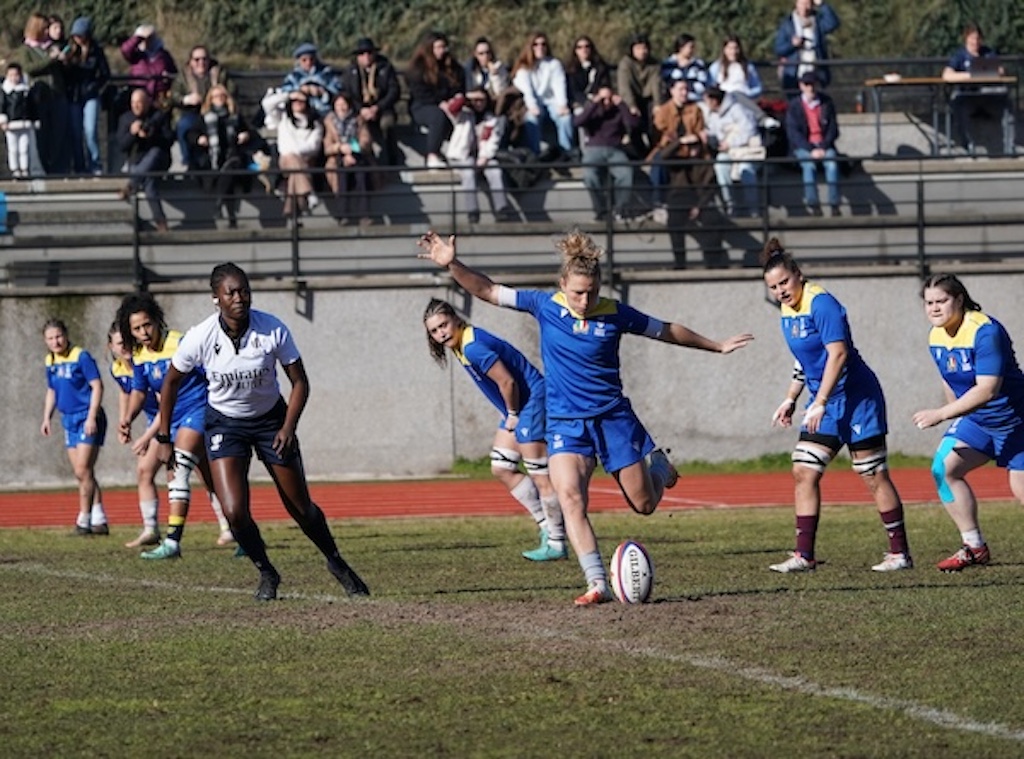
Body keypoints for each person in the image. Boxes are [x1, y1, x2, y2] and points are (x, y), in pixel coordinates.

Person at [417, 229, 753, 605]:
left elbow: (666, 330)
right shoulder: (544, 305)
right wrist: (452, 265)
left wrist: (717, 345)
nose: (585, 299)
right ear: (563, 284)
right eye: (577, 292)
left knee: (644, 504)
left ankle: (659, 466)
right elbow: (488, 290)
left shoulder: (614, 313)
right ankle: (597, 583)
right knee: (570, 497)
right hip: (564, 423)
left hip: (613, 419)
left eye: (592, 291)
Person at [154, 262, 370, 601]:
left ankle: (336, 561)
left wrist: (288, 427)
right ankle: (266, 571)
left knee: (300, 507)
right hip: (225, 423)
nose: (240, 297)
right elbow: (170, 382)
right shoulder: (200, 336)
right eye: (232, 292)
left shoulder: (272, 329)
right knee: (234, 511)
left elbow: (300, 382)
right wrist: (164, 437)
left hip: (271, 421)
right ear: (216, 298)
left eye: (244, 290)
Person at [762, 238, 912, 573]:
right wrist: (790, 398)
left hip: (858, 399)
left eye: (784, 282)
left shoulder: (822, 304)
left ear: (798, 275)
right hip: (823, 403)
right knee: (803, 470)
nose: (781, 291)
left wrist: (820, 401)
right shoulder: (787, 310)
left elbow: (838, 353)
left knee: (873, 474)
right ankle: (804, 556)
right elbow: (805, 361)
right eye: (773, 287)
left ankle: (900, 554)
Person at [423, 298, 566, 560]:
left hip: (530, 403)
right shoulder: (460, 344)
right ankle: (547, 527)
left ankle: (557, 542)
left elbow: (508, 382)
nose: (441, 333)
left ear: (455, 319)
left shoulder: (473, 346)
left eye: (443, 325)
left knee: (540, 475)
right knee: (501, 467)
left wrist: (512, 414)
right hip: (521, 406)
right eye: (434, 330)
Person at [912, 274, 1024, 571]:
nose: (934, 308)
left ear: (959, 300)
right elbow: (951, 382)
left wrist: (941, 414)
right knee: (943, 469)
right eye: (929, 303)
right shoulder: (935, 335)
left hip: (1016, 420)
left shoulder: (984, 331)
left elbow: (987, 389)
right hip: (977, 421)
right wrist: (954, 414)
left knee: (1021, 488)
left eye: (942, 301)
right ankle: (974, 546)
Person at [117, 292, 233, 559]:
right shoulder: (140, 355)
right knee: (207, 476)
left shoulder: (181, 342)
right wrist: (127, 418)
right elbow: (139, 391)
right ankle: (235, 529)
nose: (144, 332)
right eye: (136, 329)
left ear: (157, 320)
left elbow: (210, 372)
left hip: (199, 409)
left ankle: (172, 542)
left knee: (176, 468)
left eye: (147, 325)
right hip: (172, 418)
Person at [40, 318, 109, 536]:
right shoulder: (50, 361)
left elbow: (97, 386)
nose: (55, 341)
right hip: (68, 418)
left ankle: (83, 519)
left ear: (66, 335)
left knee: (82, 469)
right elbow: (52, 390)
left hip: (87, 417)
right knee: (83, 473)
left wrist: (91, 416)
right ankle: (99, 518)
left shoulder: (81, 356)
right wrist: (46, 417)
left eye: (58, 336)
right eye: (50, 338)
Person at [651, 78, 720, 268]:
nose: (684, 92)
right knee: (675, 222)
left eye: (686, 89)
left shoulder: (695, 111)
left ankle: (713, 262)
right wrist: (680, 142)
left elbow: (710, 185)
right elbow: (661, 144)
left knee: (712, 220)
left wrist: (699, 206)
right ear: (672, 90)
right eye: (680, 89)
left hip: (698, 193)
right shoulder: (664, 111)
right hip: (678, 182)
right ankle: (679, 262)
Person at [109, 321, 162, 547]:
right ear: (110, 347)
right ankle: (150, 529)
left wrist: (147, 437)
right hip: (155, 422)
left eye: (127, 341)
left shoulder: (148, 362)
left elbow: (166, 406)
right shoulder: (118, 369)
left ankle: (230, 526)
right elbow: (125, 393)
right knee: (144, 472)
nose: (125, 347)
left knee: (200, 475)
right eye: (120, 343)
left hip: (173, 419)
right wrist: (125, 421)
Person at [7, 13, 71, 175]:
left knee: (59, 134)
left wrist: (63, 60)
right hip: (40, 98)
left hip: (57, 94)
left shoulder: (52, 46)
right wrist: (50, 59)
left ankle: (59, 169)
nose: (46, 32)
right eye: (43, 28)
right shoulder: (26, 49)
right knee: (42, 136)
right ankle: (46, 168)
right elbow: (29, 68)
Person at [444, 87, 515, 224]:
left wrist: (485, 157)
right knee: (468, 172)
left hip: (483, 156)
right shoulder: (463, 115)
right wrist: (466, 96)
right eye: (475, 100)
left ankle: (501, 209)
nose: (479, 103)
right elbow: (452, 108)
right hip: (462, 156)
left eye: (482, 100)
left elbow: (493, 141)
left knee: (495, 170)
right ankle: (473, 211)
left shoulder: (491, 119)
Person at [188, 84, 253, 228]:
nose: (219, 99)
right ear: (210, 99)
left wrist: (245, 135)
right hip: (213, 160)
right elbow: (191, 134)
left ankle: (219, 205)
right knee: (226, 174)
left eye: (222, 96)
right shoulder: (204, 117)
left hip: (234, 157)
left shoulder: (235, 117)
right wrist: (200, 139)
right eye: (216, 96)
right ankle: (230, 218)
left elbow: (251, 132)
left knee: (232, 165)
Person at [941, 23, 1012, 155]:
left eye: (978, 38)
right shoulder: (959, 56)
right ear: (966, 38)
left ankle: (1009, 147)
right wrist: (969, 75)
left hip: (988, 95)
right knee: (959, 108)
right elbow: (947, 75)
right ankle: (968, 146)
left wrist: (992, 72)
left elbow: (1000, 70)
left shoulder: (987, 53)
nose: (975, 42)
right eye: (972, 38)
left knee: (1007, 105)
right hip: (967, 96)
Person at [573, 85, 638, 221]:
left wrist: (622, 105)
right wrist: (593, 104)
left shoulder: (618, 110)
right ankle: (600, 210)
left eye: (609, 98)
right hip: (594, 149)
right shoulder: (593, 110)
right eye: (603, 99)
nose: (607, 102)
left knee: (625, 173)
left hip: (615, 149)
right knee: (589, 175)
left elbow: (632, 124)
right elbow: (578, 122)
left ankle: (620, 209)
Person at [261, 88, 324, 221]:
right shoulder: (283, 119)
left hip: (305, 161)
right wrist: (288, 95)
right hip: (285, 161)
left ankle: (292, 207)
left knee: (295, 168)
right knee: (291, 159)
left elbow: (313, 146)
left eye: (301, 100)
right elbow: (267, 104)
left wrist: (294, 151)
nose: (298, 103)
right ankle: (309, 193)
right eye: (295, 101)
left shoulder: (315, 124)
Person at [405, 31, 466, 169]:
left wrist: (454, 98)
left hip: (448, 103)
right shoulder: (418, 69)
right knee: (437, 116)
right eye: (438, 47)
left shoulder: (451, 66)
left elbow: (458, 85)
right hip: (422, 105)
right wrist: (440, 102)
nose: (442, 51)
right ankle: (432, 155)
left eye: (444, 46)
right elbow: (420, 92)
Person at [116, 87, 173, 232]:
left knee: (154, 153)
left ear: (147, 103)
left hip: (158, 159)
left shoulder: (158, 116)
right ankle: (161, 222)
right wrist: (132, 134)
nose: (136, 106)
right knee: (148, 180)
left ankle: (131, 184)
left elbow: (169, 140)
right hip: (137, 162)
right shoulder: (125, 119)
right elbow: (122, 146)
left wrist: (151, 135)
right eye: (133, 102)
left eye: (139, 102)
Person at [511, 32, 574, 159]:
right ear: (530, 47)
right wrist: (533, 106)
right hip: (533, 102)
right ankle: (535, 154)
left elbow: (559, 85)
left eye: (543, 44)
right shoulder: (523, 68)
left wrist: (562, 105)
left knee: (566, 118)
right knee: (531, 118)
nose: (540, 47)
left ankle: (566, 152)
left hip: (552, 101)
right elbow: (527, 90)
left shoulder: (554, 64)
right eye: (536, 44)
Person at [785, 71, 840, 217]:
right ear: (801, 86)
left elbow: (833, 129)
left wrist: (823, 146)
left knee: (832, 164)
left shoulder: (826, 103)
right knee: (808, 165)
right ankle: (814, 204)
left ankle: (834, 204)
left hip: (824, 145)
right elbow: (793, 133)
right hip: (804, 147)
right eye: (807, 84)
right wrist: (810, 149)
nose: (810, 88)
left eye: (813, 84)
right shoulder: (794, 105)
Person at [172, 44, 233, 170]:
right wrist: (186, 99)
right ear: (190, 62)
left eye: (205, 59)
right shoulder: (183, 76)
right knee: (183, 125)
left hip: (215, 111)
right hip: (191, 112)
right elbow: (174, 95)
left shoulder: (219, 73)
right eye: (197, 59)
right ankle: (187, 160)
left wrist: (218, 96)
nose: (201, 62)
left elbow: (231, 90)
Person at [341, 37, 401, 166]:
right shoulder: (350, 71)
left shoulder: (385, 67)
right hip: (358, 110)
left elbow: (394, 91)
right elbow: (347, 94)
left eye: (369, 53)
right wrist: (361, 110)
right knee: (354, 126)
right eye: (362, 54)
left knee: (388, 124)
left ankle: (392, 159)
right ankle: (361, 158)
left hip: (382, 108)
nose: (366, 56)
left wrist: (377, 108)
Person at [704, 86, 762, 217]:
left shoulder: (737, 109)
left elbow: (749, 130)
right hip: (727, 152)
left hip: (745, 150)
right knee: (720, 167)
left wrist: (730, 143)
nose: (706, 104)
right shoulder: (713, 115)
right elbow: (713, 131)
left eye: (707, 100)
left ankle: (753, 208)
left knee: (745, 169)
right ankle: (730, 204)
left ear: (714, 100)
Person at [64, 17, 110, 176]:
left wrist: (95, 87)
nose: (77, 38)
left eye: (80, 35)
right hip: (74, 95)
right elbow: (64, 74)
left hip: (91, 95)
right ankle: (79, 167)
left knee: (90, 131)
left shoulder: (96, 50)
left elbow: (105, 73)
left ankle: (95, 164)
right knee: (76, 133)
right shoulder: (69, 50)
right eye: (75, 35)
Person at [323, 91, 374, 226]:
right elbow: (327, 147)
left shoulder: (358, 119)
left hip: (357, 155)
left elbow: (366, 139)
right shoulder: (329, 122)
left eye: (343, 104)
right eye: (338, 104)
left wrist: (353, 150)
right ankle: (343, 215)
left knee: (361, 177)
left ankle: (364, 214)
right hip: (337, 157)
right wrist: (340, 148)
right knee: (341, 177)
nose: (341, 107)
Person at [774, 0, 841, 93]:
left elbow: (833, 23)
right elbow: (778, 49)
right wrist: (792, 45)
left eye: (807, 4)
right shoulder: (787, 24)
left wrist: (822, 5)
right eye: (802, 3)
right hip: (794, 73)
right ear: (796, 3)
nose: (804, 7)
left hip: (817, 71)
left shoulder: (818, 21)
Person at [616, 33, 660, 159]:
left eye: (645, 48)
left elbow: (656, 84)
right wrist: (632, 105)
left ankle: (654, 151)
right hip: (631, 98)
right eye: (639, 48)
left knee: (655, 120)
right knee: (632, 121)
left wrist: (658, 104)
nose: (643, 51)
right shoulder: (625, 64)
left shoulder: (654, 64)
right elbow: (624, 86)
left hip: (648, 98)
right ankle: (637, 152)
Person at [708, 35, 764, 120]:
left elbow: (758, 87)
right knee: (733, 94)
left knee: (737, 94)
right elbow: (711, 87)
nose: (733, 52)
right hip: (725, 100)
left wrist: (748, 93)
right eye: (730, 48)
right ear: (724, 49)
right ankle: (762, 117)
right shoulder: (716, 67)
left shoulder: (748, 66)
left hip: (744, 98)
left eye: (735, 48)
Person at [0, 62, 41, 178]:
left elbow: (32, 107)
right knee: (13, 148)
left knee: (24, 147)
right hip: (11, 124)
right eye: (11, 75)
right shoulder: (5, 91)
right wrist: (3, 120)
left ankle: (24, 168)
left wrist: (35, 120)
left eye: (16, 75)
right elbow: (2, 106)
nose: (14, 78)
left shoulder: (26, 90)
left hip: (25, 124)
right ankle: (15, 169)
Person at [119, 23, 177, 104]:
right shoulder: (136, 55)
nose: (147, 40)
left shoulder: (164, 55)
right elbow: (125, 50)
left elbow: (174, 73)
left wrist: (167, 77)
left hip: (158, 98)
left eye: (150, 38)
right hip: (139, 97)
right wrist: (139, 37)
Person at [281, 42, 342, 119]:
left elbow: (338, 91)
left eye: (311, 59)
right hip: (302, 113)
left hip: (324, 112)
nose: (308, 62)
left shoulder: (326, 73)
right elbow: (284, 92)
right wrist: (300, 90)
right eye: (304, 60)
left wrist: (322, 92)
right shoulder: (294, 76)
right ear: (298, 61)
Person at [564, 35, 611, 113]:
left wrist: (602, 95)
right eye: (580, 47)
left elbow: (605, 84)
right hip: (580, 104)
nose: (584, 50)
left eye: (587, 46)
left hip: (600, 102)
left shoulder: (600, 67)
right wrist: (588, 102)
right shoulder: (571, 70)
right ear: (575, 50)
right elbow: (574, 92)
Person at [660, 34, 709, 104]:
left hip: (694, 100)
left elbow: (702, 85)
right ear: (681, 47)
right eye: (690, 47)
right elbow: (666, 84)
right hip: (673, 102)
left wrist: (686, 87)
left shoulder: (698, 64)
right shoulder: (668, 64)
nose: (693, 50)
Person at [463, 36, 510, 105]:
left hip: (493, 104)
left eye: (488, 53)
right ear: (475, 55)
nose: (485, 56)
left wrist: (495, 76)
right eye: (481, 54)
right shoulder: (471, 69)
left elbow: (499, 93)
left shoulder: (499, 67)